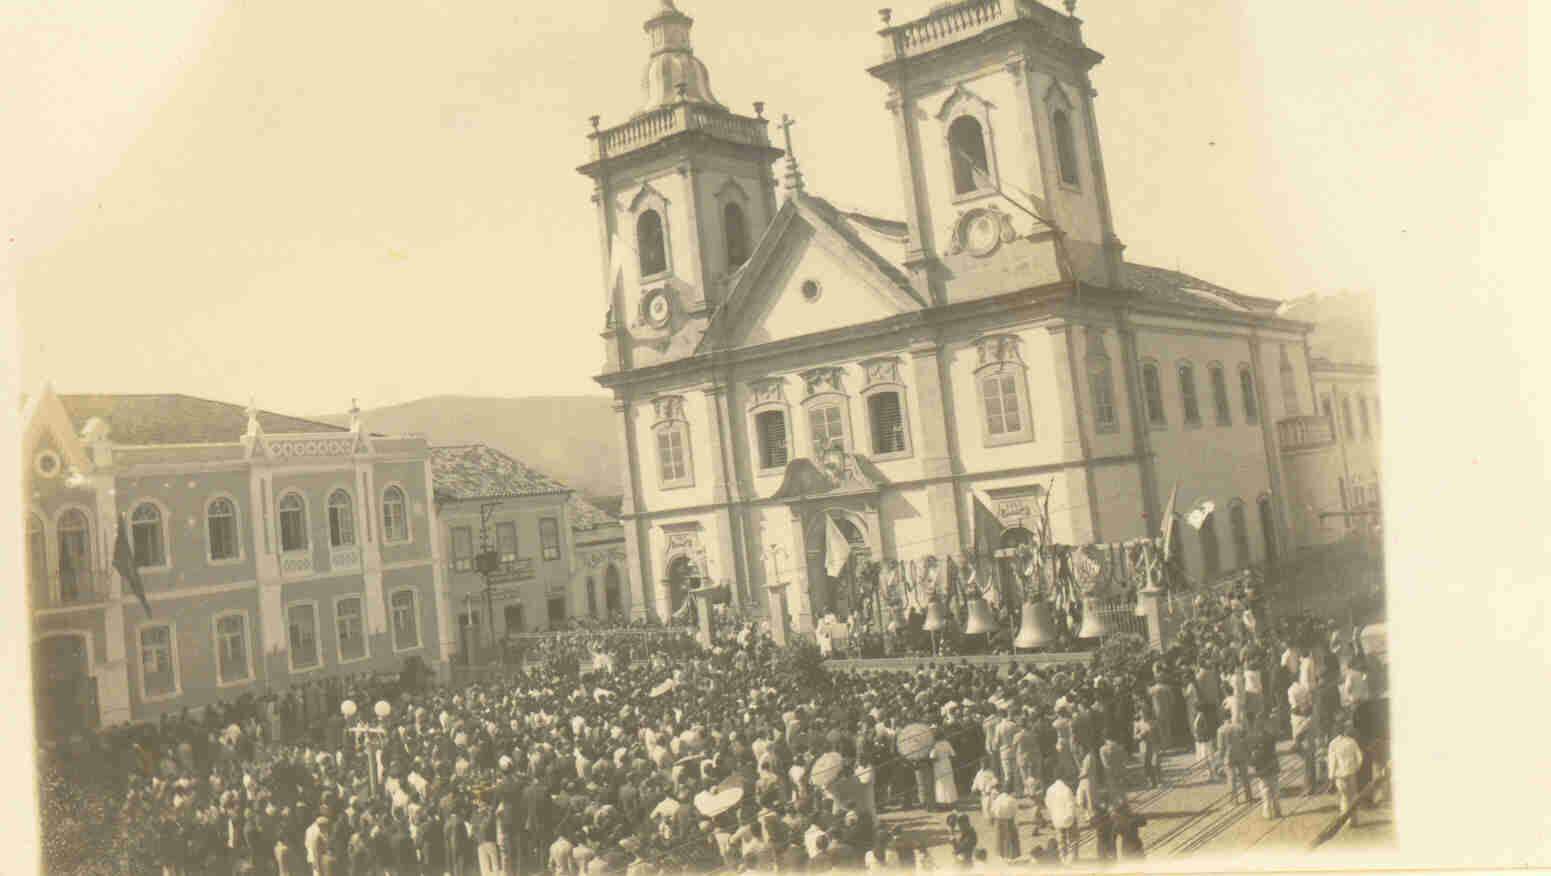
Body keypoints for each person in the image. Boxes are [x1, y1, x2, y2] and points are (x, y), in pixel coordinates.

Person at [1328, 720, 1365, 828]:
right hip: (1351, 773)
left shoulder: (1333, 744)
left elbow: (1332, 761)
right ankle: (1354, 821)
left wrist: (1331, 777)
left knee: (1344, 798)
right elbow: (1360, 757)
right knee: (1353, 797)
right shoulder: (1352, 742)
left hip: (1340, 775)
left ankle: (1345, 821)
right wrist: (1356, 768)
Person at [1216, 715, 1251, 805]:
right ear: (1230, 718)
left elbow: (1221, 748)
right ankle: (1248, 796)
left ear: (1222, 719)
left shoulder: (1221, 730)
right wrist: (1248, 753)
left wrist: (1219, 760)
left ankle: (1234, 800)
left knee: (1231, 778)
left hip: (1229, 756)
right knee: (1245, 777)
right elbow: (1246, 741)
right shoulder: (1239, 727)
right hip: (1241, 754)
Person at [1250, 721, 1282, 819]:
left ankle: (1267, 813)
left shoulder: (1255, 739)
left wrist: (1253, 767)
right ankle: (1278, 812)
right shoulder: (1270, 737)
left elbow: (1253, 756)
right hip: (1272, 767)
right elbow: (1274, 750)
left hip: (1262, 769)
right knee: (1275, 791)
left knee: (1265, 792)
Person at [1044, 777, 1077, 863]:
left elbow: (1047, 803)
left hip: (1057, 818)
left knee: (1060, 839)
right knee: (1071, 839)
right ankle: (1071, 858)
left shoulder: (1050, 790)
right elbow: (1071, 804)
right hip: (1068, 818)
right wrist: (1071, 816)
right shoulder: (1067, 789)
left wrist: (1053, 813)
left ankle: (1062, 857)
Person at [930, 730, 958, 810]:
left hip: (939, 765)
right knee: (949, 783)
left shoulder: (935, 745)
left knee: (940, 784)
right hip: (947, 764)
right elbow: (953, 754)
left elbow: (932, 757)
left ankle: (942, 803)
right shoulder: (947, 743)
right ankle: (951, 802)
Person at [990, 788, 1020, 862]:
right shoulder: (1011, 799)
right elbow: (1015, 811)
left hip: (999, 820)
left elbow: (992, 810)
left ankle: (1001, 855)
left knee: (1000, 838)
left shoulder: (997, 799)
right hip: (1009, 821)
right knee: (1010, 839)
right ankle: (1011, 856)